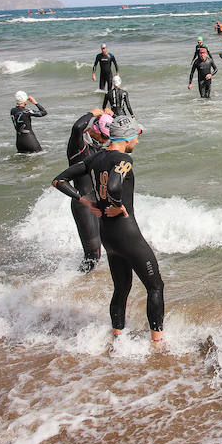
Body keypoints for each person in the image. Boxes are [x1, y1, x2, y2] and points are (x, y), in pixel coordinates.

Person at [51, 114, 165, 343]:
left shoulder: (95, 158)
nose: (138, 142)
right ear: (129, 136)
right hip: (127, 234)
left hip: (108, 237)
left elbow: (59, 180)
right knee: (155, 287)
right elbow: (113, 185)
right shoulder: (123, 159)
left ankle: (118, 336)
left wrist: (85, 200)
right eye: (137, 137)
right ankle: (158, 344)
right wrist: (119, 207)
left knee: (122, 287)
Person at [65, 109, 111, 271]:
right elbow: (77, 127)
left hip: (97, 203)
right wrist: (92, 113)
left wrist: (107, 117)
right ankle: (73, 284)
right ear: (95, 129)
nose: (106, 140)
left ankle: (85, 284)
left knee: (102, 251)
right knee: (92, 255)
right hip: (83, 203)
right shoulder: (79, 148)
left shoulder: (96, 148)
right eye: (105, 136)